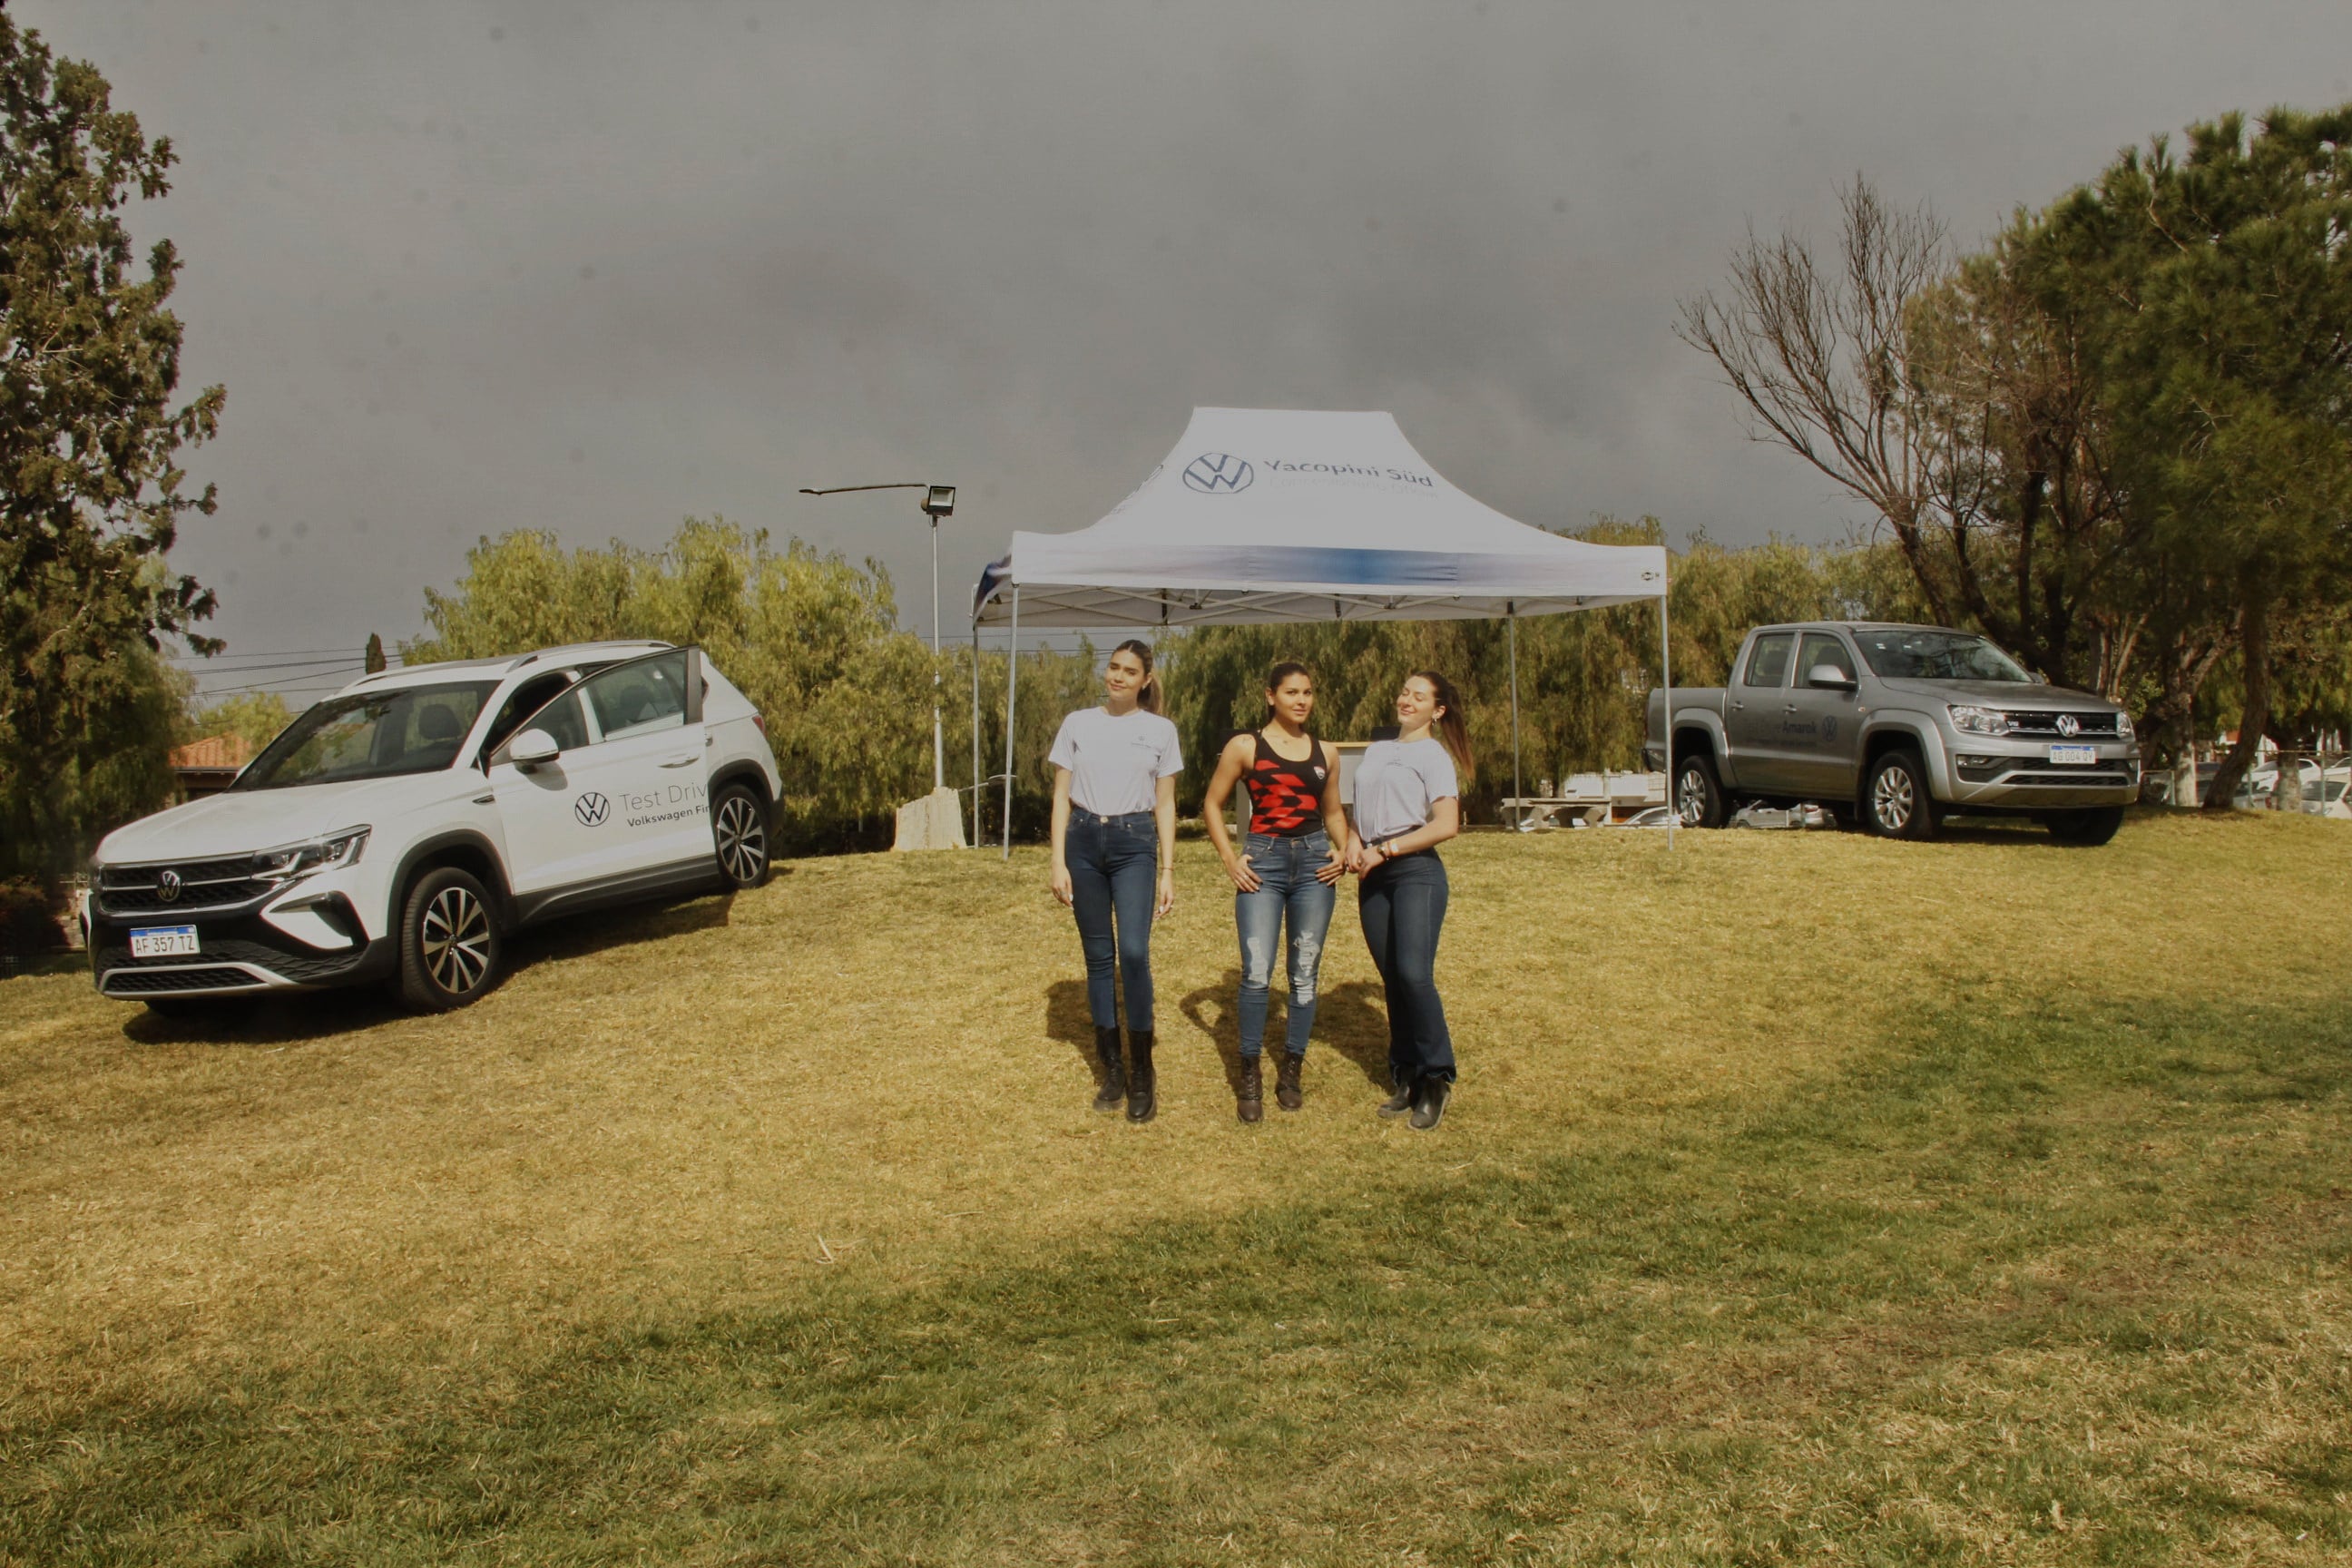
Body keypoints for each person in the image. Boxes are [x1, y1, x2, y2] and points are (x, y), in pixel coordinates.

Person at [1200, 662, 1348, 1122]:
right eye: (1291, 692)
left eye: (1307, 692)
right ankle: (1249, 1074)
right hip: (1261, 862)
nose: (1301, 700)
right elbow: (1211, 802)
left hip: (1314, 865)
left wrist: (1345, 849)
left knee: (1304, 972)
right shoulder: (1246, 746)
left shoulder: (1327, 751)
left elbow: (1333, 812)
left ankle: (1291, 1070)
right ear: (1270, 696)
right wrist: (1230, 859)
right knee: (1257, 972)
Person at [1048, 639, 1182, 1122]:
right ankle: (1113, 1069)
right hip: (1084, 841)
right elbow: (1061, 796)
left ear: (1145, 680)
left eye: (1129, 671)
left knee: (1134, 953)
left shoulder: (1161, 731)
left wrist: (1167, 869)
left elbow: (1165, 803)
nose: (1118, 677)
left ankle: (1143, 1071)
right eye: (1113, 667)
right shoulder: (1078, 724)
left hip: (1134, 843)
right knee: (1099, 957)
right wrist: (1057, 860)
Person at [1345, 670, 1470, 1131]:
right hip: (1372, 872)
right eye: (1403, 692)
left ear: (1436, 711)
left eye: (1419, 697)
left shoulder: (1434, 756)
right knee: (1393, 977)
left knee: (1415, 974)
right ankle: (1407, 1074)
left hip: (1415, 870)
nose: (1406, 700)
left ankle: (1437, 1077)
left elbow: (1446, 824)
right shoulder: (1378, 750)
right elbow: (1362, 809)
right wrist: (1355, 840)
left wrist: (1387, 849)